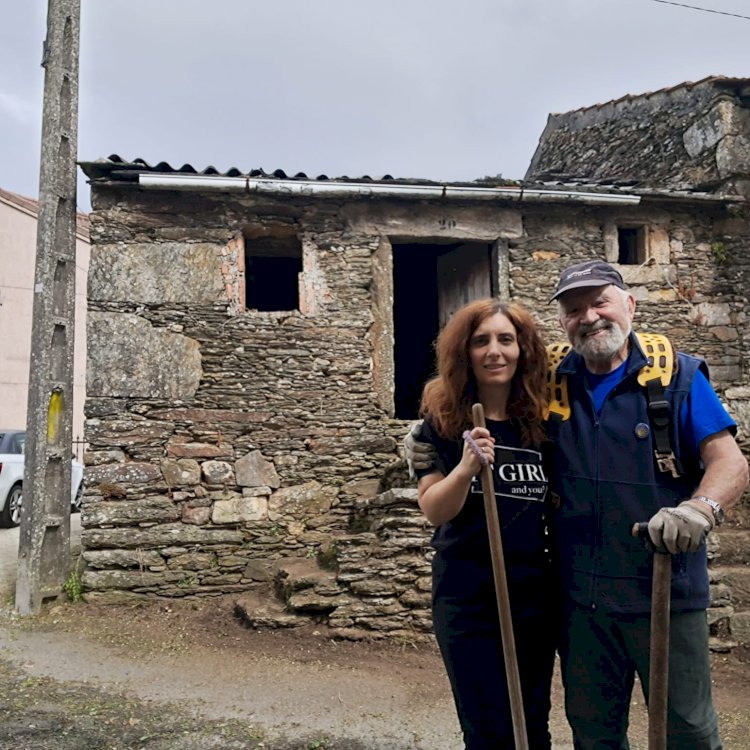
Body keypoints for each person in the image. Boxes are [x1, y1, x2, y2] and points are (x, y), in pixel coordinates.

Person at [406, 260, 749, 749]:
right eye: (574, 309)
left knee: (687, 730)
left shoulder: (675, 375)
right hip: (580, 599)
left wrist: (701, 509)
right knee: (593, 732)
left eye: (600, 302)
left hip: (663, 588)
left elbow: (730, 464)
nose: (589, 317)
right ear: (563, 321)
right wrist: (422, 437)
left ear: (630, 304)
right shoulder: (551, 379)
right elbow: (475, 388)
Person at [412, 298, 557, 750]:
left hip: (533, 595)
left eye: (506, 340)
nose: (495, 351)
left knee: (531, 725)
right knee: (485, 728)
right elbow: (434, 510)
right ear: (465, 353)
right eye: (481, 341)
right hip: (467, 594)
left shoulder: (543, 422)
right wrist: (464, 469)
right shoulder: (441, 423)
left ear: (524, 350)